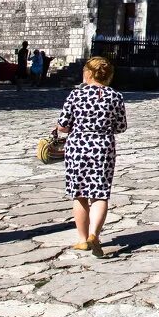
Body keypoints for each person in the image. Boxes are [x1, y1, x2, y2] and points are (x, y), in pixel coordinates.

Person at [56, 57, 127, 257]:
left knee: (79, 194)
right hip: (103, 148)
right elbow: (121, 126)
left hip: (78, 147)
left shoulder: (76, 94)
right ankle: (94, 234)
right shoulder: (115, 96)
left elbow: (63, 125)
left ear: (88, 73)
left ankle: (82, 239)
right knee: (100, 193)